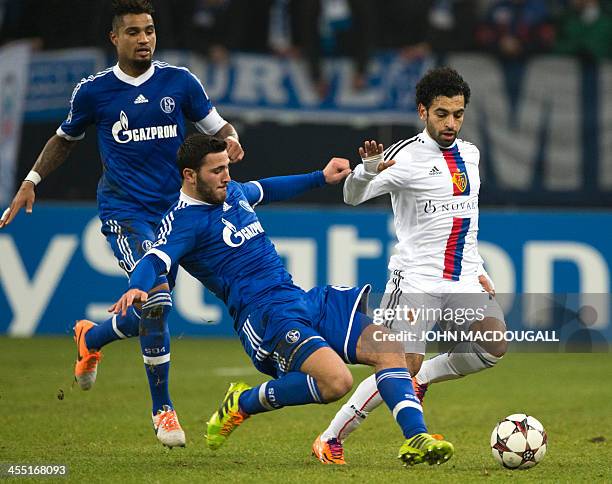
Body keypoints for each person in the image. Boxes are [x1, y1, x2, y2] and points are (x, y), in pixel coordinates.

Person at [110, 133, 455, 467]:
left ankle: (417, 437)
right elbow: (155, 259)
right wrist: (137, 285)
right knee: (337, 382)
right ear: (189, 175)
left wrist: (320, 177)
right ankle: (243, 401)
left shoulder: (232, 192)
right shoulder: (182, 222)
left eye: (227, 168)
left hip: (297, 298)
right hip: (264, 318)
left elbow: (269, 188)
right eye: (216, 171)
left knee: (388, 345)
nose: (226, 177)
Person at [0, 0, 244, 448]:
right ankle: (163, 410)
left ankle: (91, 336)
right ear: (115, 38)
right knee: (155, 302)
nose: (144, 39)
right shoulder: (94, 91)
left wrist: (230, 139)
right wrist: (30, 180)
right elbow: (64, 138)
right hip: (126, 212)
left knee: (156, 308)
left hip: (178, 213)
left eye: (149, 30)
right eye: (133, 32)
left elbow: (216, 126)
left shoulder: (180, 82)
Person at [311, 67, 507, 464]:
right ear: (422, 111)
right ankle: (331, 438)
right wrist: (365, 169)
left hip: (463, 276)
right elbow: (352, 197)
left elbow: (466, 217)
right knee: (398, 362)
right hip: (416, 279)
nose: (451, 122)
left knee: (494, 344)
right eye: (441, 114)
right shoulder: (405, 156)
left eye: (458, 113)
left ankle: (423, 380)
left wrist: (478, 265)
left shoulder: (471, 154)